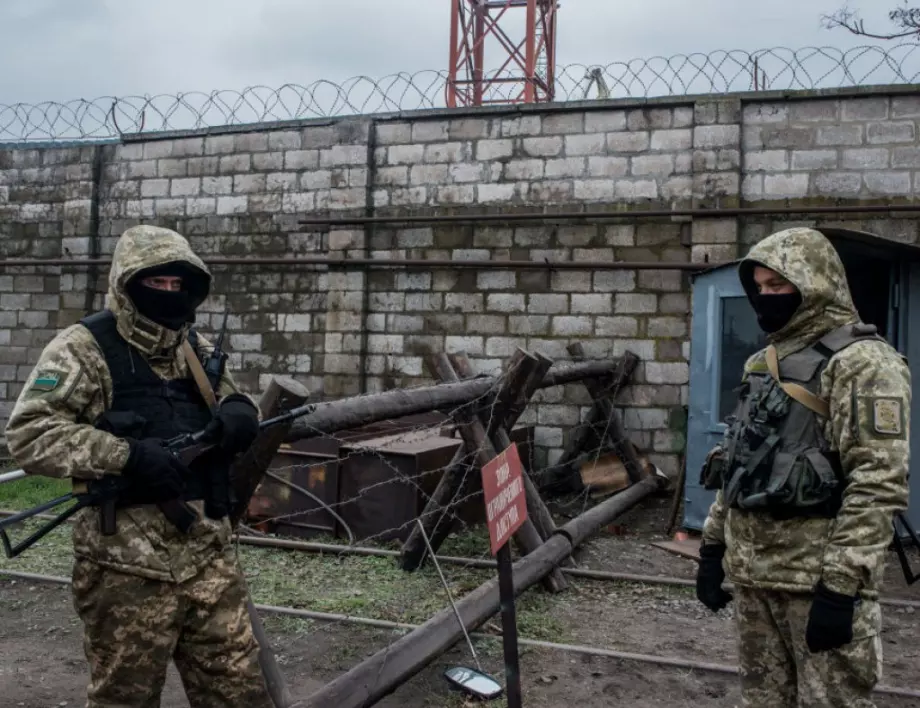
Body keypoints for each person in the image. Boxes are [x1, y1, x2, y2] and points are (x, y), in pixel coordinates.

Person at [5, 225, 274, 707]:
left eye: (178, 285)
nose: (169, 295)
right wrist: (126, 454)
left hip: (208, 554)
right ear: (127, 285)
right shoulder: (81, 349)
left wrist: (239, 411)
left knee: (239, 693)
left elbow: (231, 394)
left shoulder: (194, 347)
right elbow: (30, 435)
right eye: (156, 284)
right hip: (124, 569)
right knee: (124, 699)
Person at [694, 226, 911, 708]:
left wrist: (840, 586)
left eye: (780, 287)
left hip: (815, 583)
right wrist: (713, 546)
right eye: (762, 288)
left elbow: (878, 482)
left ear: (814, 284)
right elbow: (738, 460)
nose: (768, 298)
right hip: (755, 578)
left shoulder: (864, 364)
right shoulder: (762, 363)